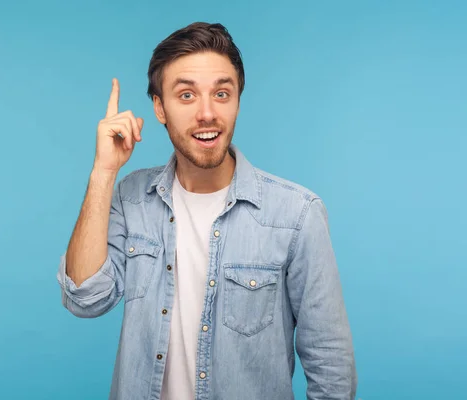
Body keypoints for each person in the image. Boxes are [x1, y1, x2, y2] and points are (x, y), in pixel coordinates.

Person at [57, 21, 357, 400]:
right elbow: (85, 299)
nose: (207, 113)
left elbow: (331, 367)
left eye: (221, 93)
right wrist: (103, 172)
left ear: (237, 100)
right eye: (186, 95)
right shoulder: (130, 198)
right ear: (159, 107)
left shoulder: (297, 215)